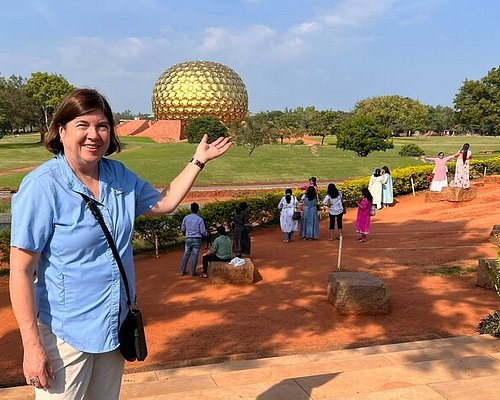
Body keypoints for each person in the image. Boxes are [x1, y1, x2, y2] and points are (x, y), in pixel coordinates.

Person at [8, 88, 231, 399]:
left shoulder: (119, 176)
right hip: (65, 334)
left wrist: (198, 161)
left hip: (114, 326)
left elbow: (162, 204)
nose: (93, 135)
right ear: (61, 131)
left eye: (101, 126)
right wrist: (32, 346)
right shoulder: (42, 187)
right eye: (82, 125)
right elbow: (20, 271)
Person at [180, 202, 207, 276]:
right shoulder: (200, 219)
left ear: (191, 209)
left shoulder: (186, 218)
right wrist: (206, 234)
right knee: (195, 256)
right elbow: (203, 231)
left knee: (186, 254)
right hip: (197, 239)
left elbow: (183, 229)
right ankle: (192, 272)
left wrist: (184, 234)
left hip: (188, 238)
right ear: (197, 210)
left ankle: (182, 271)